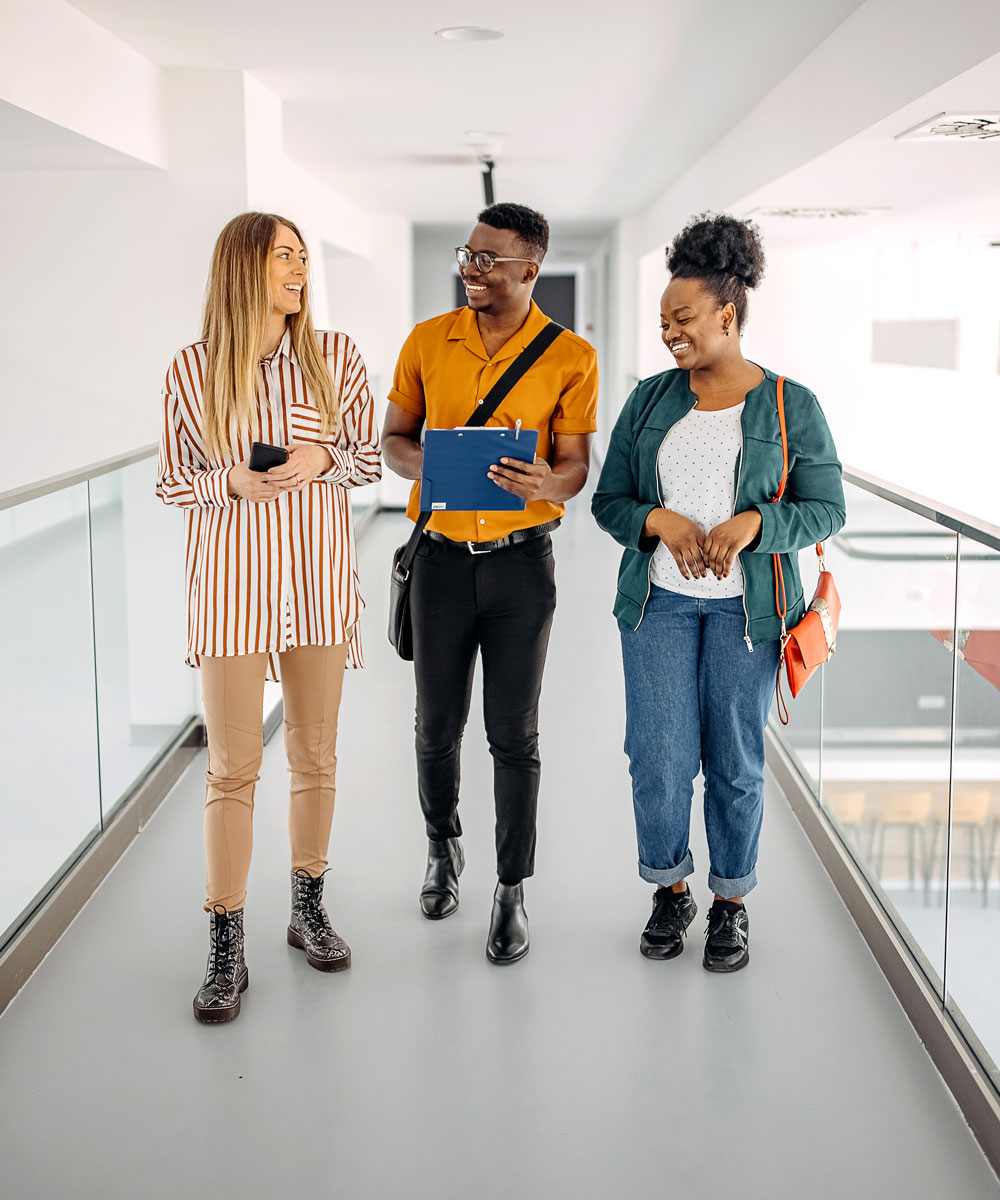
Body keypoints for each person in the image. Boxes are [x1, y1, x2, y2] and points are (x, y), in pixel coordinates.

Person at [591, 213, 845, 972]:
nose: (670, 332)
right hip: (658, 606)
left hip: (749, 613)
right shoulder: (649, 401)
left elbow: (826, 507)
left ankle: (730, 903)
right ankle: (670, 890)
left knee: (734, 763)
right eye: (664, 320)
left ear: (727, 315)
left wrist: (752, 526)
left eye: (684, 318)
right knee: (659, 759)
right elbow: (610, 503)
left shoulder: (790, 404)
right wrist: (658, 519)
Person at [156, 211, 381, 1022]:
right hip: (233, 592)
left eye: (301, 257)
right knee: (232, 767)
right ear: (244, 266)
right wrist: (231, 485)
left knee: (315, 755)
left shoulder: (337, 360)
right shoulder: (193, 369)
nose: (298, 269)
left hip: (317, 587)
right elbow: (171, 479)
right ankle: (225, 945)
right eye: (283, 256)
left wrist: (323, 456)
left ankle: (308, 909)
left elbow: (369, 457)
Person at [382, 202, 598, 964]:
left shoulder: (571, 356)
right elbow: (393, 442)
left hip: (519, 565)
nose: (470, 269)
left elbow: (576, 467)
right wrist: (432, 462)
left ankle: (512, 889)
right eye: (466, 256)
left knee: (515, 734)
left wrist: (549, 478)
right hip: (439, 562)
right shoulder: (425, 342)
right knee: (435, 728)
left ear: (528, 270)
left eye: (487, 260)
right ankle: (444, 849)